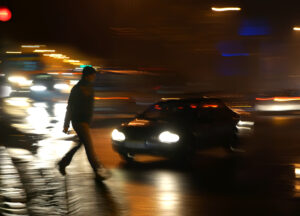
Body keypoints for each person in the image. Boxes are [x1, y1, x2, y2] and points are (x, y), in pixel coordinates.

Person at [57, 66, 110, 181]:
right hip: (78, 122)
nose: (94, 77)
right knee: (89, 148)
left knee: (80, 144)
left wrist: (91, 120)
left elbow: (90, 107)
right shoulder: (77, 89)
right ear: (87, 75)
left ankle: (63, 162)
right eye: (92, 75)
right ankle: (97, 172)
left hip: (85, 122)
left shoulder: (90, 87)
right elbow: (70, 107)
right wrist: (66, 124)